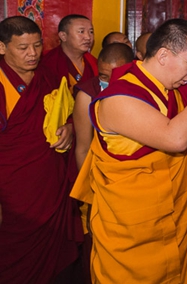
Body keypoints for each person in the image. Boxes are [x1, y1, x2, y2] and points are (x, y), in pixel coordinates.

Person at [71, 19, 187, 283]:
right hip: (133, 231)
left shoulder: (170, 91)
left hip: (176, 218)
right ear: (163, 55)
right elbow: (176, 138)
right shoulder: (119, 98)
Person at [0, 16, 81, 284]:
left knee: (55, 261)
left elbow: (68, 113)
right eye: (23, 48)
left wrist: (70, 128)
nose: (33, 53)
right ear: (2, 47)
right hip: (12, 188)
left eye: (37, 46)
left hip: (50, 183)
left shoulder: (49, 77)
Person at [72, 43, 134, 170]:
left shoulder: (141, 91)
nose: (110, 83)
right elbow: (83, 149)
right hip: (103, 170)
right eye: (104, 76)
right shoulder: (88, 96)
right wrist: (87, 180)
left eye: (117, 76)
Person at [41, 14, 98, 91]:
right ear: (63, 36)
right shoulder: (48, 62)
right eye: (81, 32)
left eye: (91, 32)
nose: (88, 37)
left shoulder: (94, 62)